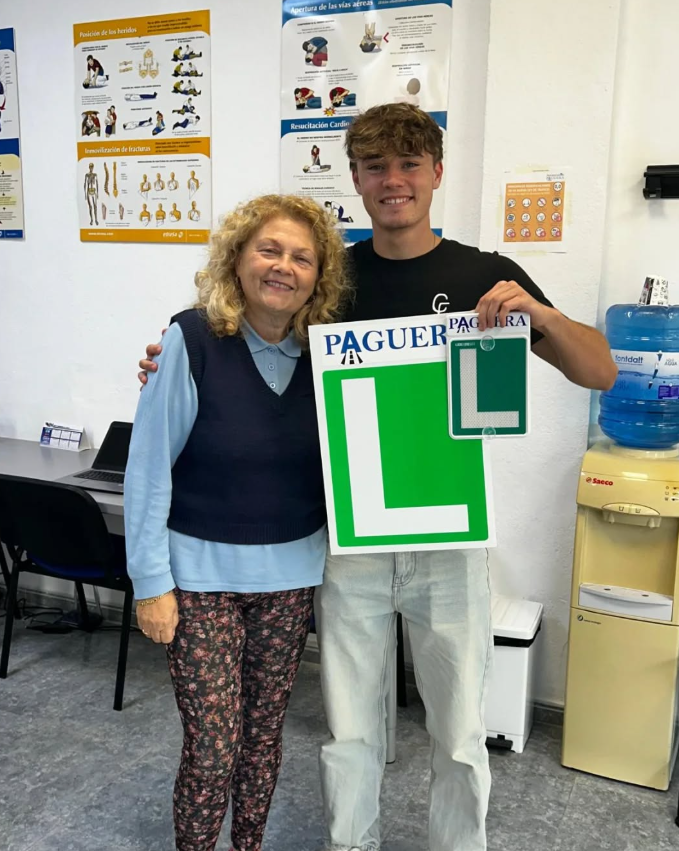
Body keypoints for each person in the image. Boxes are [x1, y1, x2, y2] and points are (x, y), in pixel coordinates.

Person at [137, 104, 616, 851]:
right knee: (351, 729)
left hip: (450, 541)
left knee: (458, 731)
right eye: (375, 167)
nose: (393, 181)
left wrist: (540, 316)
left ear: (435, 173)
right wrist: (168, 354)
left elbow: (601, 370)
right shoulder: (330, 280)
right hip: (350, 538)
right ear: (355, 179)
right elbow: (248, 344)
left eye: (408, 164)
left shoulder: (485, 276)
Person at [126, 194, 348, 851]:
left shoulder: (326, 354)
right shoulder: (189, 340)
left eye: (301, 258)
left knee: (261, 737)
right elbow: (147, 469)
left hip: (288, 578)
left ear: (318, 276)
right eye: (269, 250)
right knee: (214, 743)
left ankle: (247, 842)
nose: (284, 267)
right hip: (197, 583)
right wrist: (149, 584)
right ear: (237, 260)